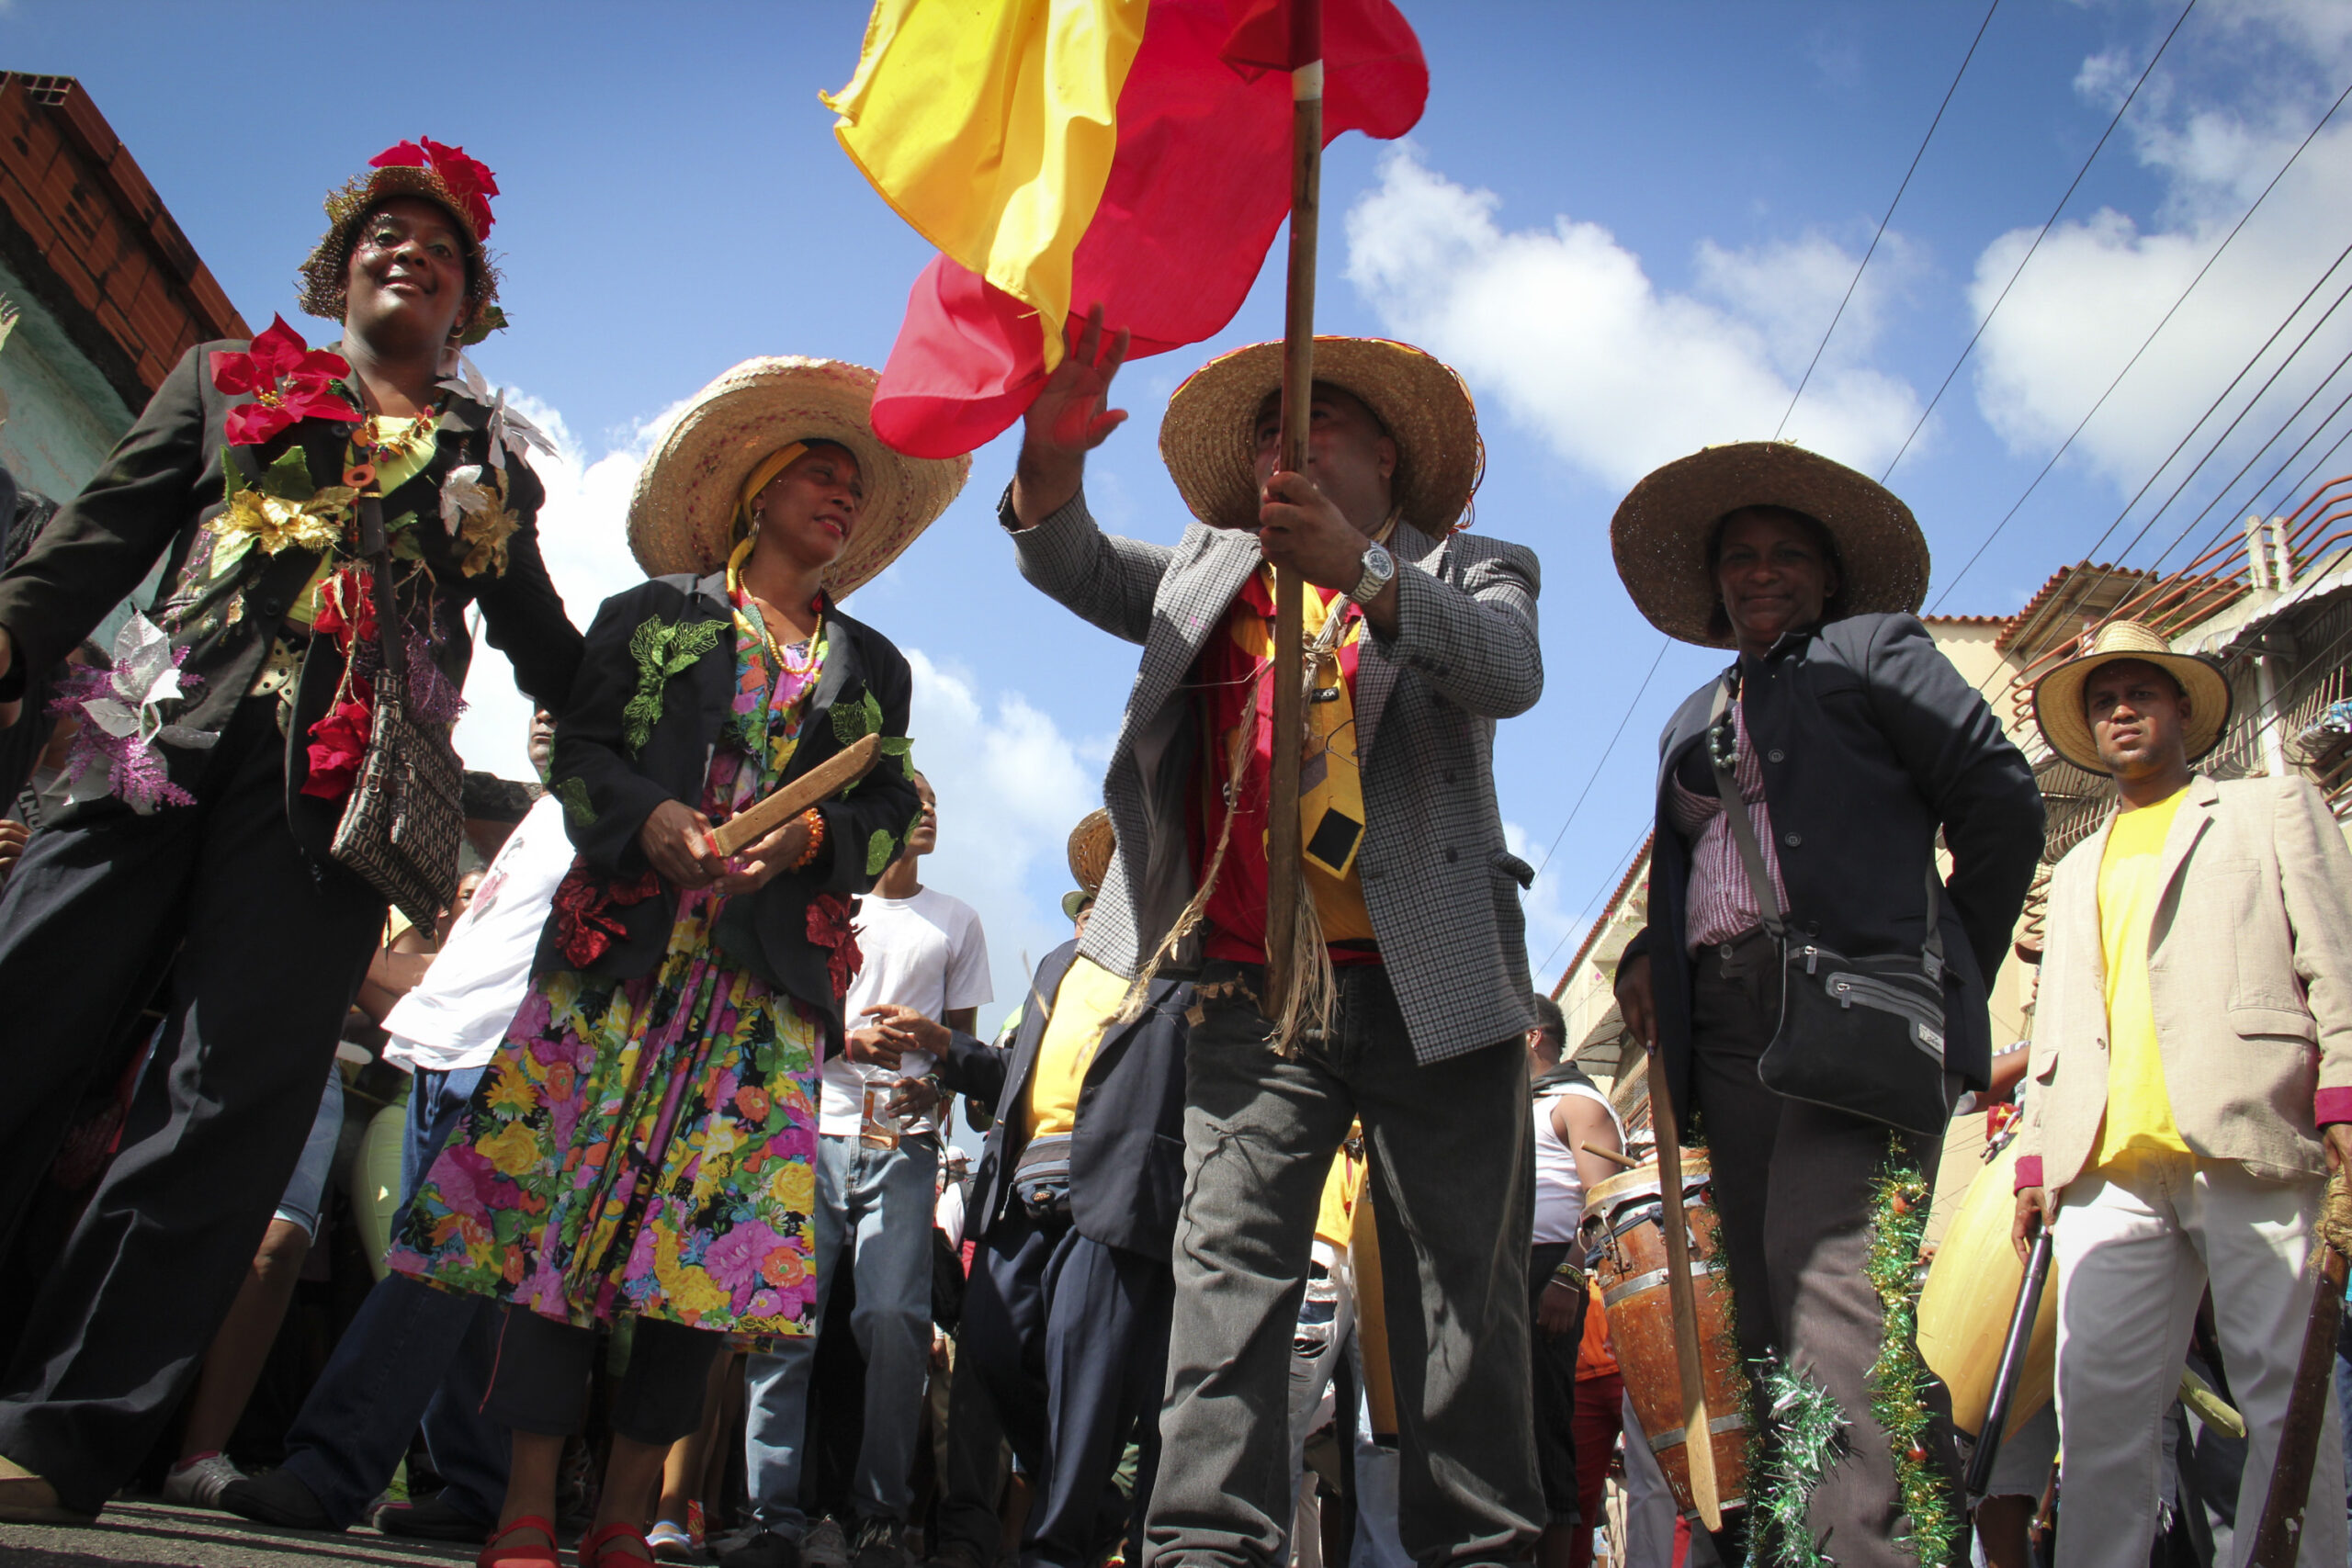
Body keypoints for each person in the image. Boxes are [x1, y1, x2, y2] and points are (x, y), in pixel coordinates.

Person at [0, 138, 583, 1525]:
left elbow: (546, 643)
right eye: (386, 234)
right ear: (341, 268)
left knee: (222, 1110)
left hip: (333, 818)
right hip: (145, 748)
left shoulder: (492, 464)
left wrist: (644, 745)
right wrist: (13, 628)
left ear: (468, 304)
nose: (410, 253)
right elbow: (101, 529)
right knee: (17, 1009)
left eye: (440, 250)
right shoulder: (221, 376)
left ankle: (54, 1432)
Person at [387, 355, 958, 1568]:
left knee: (705, 1258)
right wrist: (650, 821)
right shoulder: (654, 618)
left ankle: (624, 1515)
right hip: (619, 973)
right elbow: (585, 752)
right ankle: (529, 1505)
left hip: (761, 1004)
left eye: (853, 486)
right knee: (561, 1231)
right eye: (818, 470)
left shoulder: (872, 670)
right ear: (754, 490)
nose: (839, 494)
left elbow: (880, 807)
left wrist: (806, 836)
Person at [1004, 312, 1546, 1565]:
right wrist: (1052, 461)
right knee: (1226, 1286)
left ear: (1390, 466)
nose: (1280, 450)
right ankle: (1203, 1548)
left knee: (1462, 1301)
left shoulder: (1476, 567)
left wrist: (1362, 569)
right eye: (1264, 433)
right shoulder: (1207, 571)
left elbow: (1508, 670)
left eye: (1316, 424)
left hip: (1438, 996)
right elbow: (1068, 560)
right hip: (1252, 998)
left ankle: (1486, 1550)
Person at [1607, 442, 2043, 1564]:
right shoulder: (1694, 712)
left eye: (1786, 555)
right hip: (1730, 1031)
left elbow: (1998, 801)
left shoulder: (1872, 651)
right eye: (1740, 557)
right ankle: (1874, 1543)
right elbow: (1688, 867)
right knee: (1767, 1321)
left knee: (1830, 1306)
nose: (1760, 573)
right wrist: (1645, 964)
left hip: (1860, 1017)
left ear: (1830, 577)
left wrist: (1945, 973)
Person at [2011, 618, 2352, 1568]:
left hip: (2250, 1127)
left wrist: (2343, 1097)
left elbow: (2337, 962)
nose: (2121, 709)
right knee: (2100, 1415)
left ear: (2179, 713)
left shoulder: (2269, 810)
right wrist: (2035, 1160)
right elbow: (2055, 1030)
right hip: (2105, 1168)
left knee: (2288, 1398)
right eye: (2103, 699)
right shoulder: (2072, 869)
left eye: (2140, 693)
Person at [218, 716, 571, 1542]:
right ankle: (476, 1481)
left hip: (510, 1051)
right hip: (442, 1040)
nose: (549, 713)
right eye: (545, 701)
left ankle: (331, 1467)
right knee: (463, 1286)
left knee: (433, 1264)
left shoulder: (621, 805)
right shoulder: (545, 812)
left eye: (576, 696)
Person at [861, 807, 1193, 1568]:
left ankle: (1059, 1547)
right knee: (990, 1347)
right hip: (1021, 1193)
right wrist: (946, 1045)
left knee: (1088, 1377)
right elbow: (1015, 1078)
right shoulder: (1056, 966)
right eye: (1112, 862)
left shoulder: (1182, 961)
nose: (1121, 875)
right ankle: (1091, 1506)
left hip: (1115, 1192)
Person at [735, 769, 991, 1568]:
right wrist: (847, 1037)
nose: (928, 812)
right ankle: (772, 1513)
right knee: (786, 1324)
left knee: (893, 1319)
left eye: (936, 800)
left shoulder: (957, 922)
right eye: (913, 800)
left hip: (902, 1145)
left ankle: (880, 1511)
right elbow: (784, 1017)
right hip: (811, 1127)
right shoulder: (828, 906)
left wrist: (933, 1081)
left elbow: (963, 1052)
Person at [1524, 994, 1623, 1568]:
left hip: (1549, 1277)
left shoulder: (1577, 1102)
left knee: (1545, 1436)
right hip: (1508, 1274)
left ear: (1535, 1034)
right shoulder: (1519, 1103)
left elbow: (1604, 1205)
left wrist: (1566, 1275)